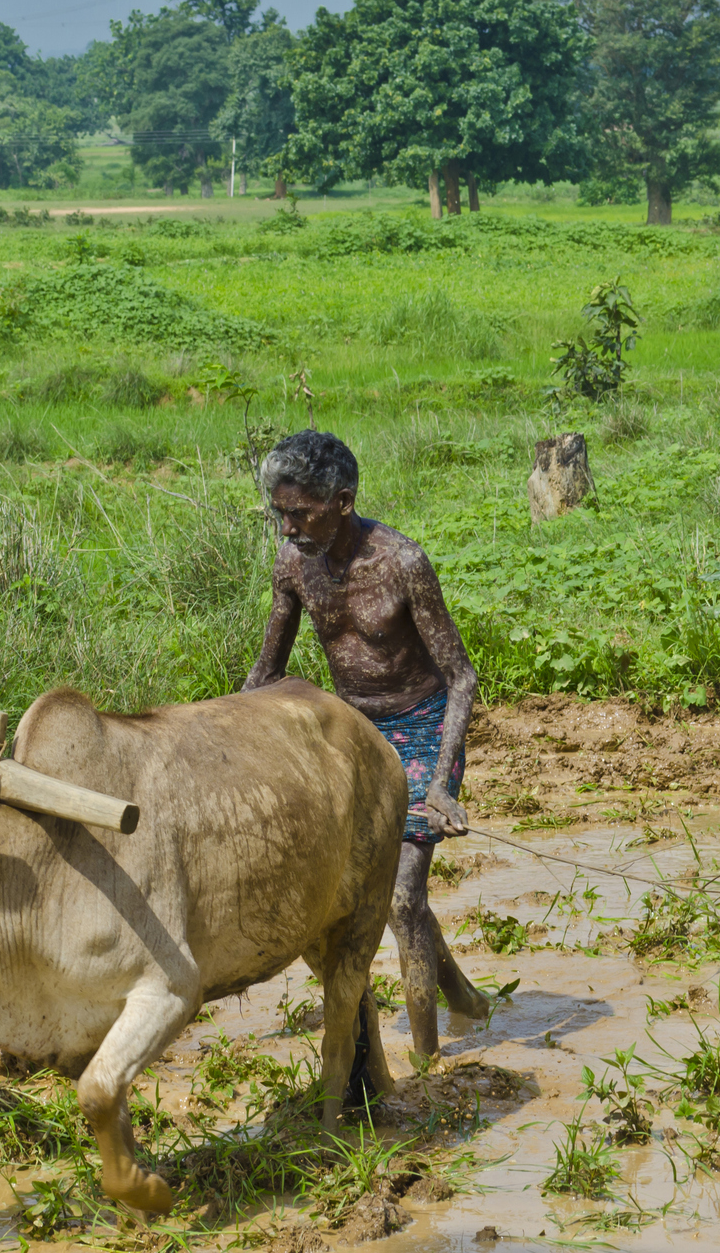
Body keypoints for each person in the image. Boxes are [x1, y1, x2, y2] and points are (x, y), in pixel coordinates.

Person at [243, 430, 489, 1061]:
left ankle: (428, 1065)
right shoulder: (293, 565)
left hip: (424, 724)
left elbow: (461, 676)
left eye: (301, 514)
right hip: (353, 733)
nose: (289, 527)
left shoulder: (401, 562)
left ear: (343, 502)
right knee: (358, 892)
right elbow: (264, 674)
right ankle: (464, 998)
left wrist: (441, 782)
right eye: (280, 513)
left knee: (403, 899)